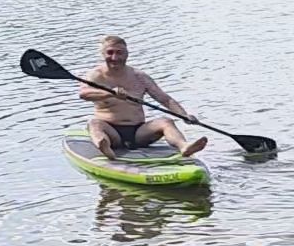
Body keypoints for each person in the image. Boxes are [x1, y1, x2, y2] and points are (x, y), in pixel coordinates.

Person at [79, 36, 207, 158]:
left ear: (126, 54)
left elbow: (165, 99)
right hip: (111, 131)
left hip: (139, 132)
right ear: (103, 54)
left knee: (165, 121)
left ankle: (184, 147)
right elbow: (84, 94)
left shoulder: (140, 76)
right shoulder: (95, 76)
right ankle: (105, 147)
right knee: (94, 123)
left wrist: (184, 115)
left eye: (119, 53)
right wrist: (110, 93)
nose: (114, 57)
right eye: (110, 52)